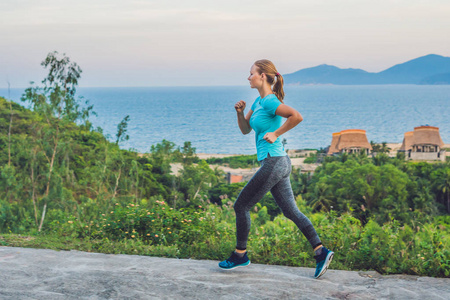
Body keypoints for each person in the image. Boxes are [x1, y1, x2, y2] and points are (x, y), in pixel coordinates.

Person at [218, 59, 334, 279]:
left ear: (262, 76)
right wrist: (240, 113)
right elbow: (245, 130)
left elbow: (296, 116)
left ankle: (240, 254)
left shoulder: (270, 101)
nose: (248, 77)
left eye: (251, 73)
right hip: (277, 162)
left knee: (241, 205)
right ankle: (321, 251)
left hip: (274, 161)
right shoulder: (258, 102)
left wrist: (277, 133)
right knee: (291, 212)